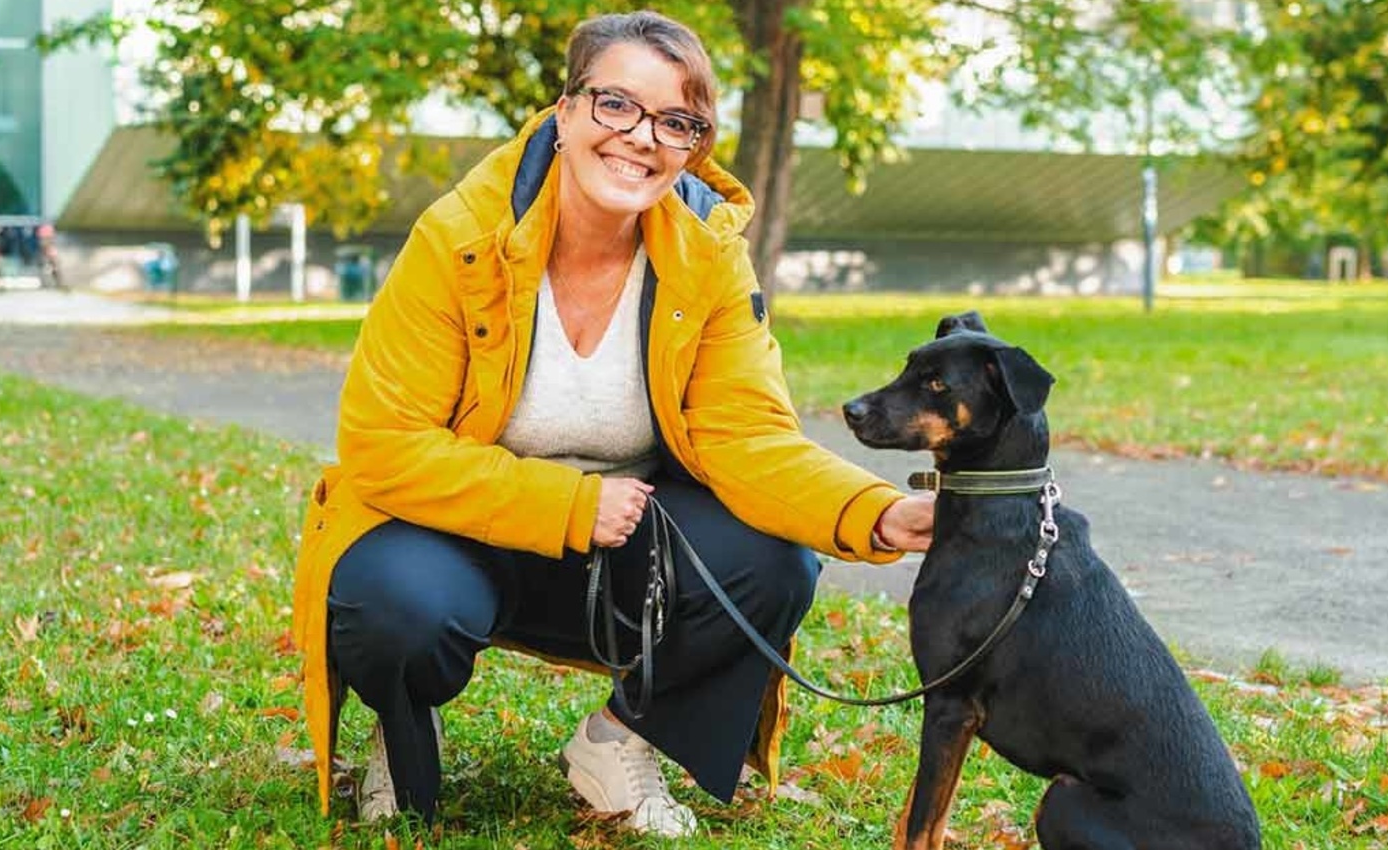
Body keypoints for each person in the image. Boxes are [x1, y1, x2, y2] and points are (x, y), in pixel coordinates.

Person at [287, 10, 937, 837]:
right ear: (565, 111)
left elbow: (749, 436)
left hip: (625, 541)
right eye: (616, 105)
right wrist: (566, 504)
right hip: (456, 529)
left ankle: (619, 738)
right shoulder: (457, 238)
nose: (640, 138)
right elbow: (382, 445)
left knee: (776, 564)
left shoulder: (705, 254)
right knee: (392, 607)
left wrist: (876, 511)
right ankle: (402, 724)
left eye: (677, 122)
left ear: (694, 146)